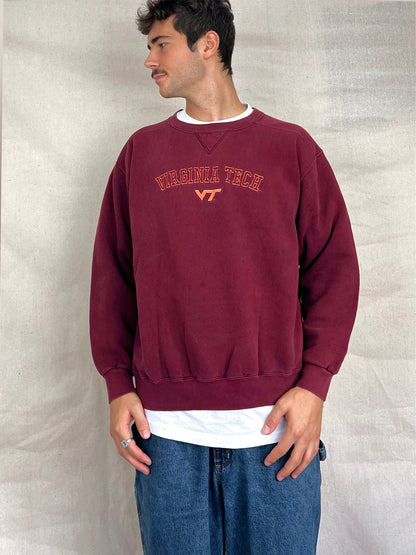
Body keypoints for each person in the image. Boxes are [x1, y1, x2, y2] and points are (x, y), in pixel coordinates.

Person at [90, 1, 359, 553]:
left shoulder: (290, 148)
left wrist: (315, 385)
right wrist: (118, 384)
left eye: (161, 43)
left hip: (275, 431)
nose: (149, 60)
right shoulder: (141, 154)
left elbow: (334, 270)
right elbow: (112, 276)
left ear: (207, 44)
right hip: (165, 438)